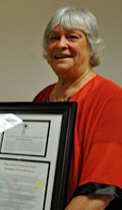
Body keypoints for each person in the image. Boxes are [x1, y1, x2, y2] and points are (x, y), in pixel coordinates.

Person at [34, 7, 122, 209]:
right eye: (54, 38)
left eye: (72, 37)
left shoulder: (111, 98)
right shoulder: (42, 97)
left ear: (91, 47)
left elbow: (98, 194)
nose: (61, 45)